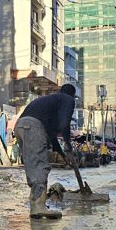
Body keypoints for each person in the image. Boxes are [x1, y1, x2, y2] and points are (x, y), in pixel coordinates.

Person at [14, 84, 77, 219]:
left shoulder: (51, 102)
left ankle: (35, 205)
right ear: (72, 95)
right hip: (33, 126)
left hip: (20, 126)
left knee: (33, 165)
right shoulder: (68, 100)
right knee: (40, 166)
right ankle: (38, 207)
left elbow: (53, 138)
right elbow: (64, 124)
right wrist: (69, 147)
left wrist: (62, 155)